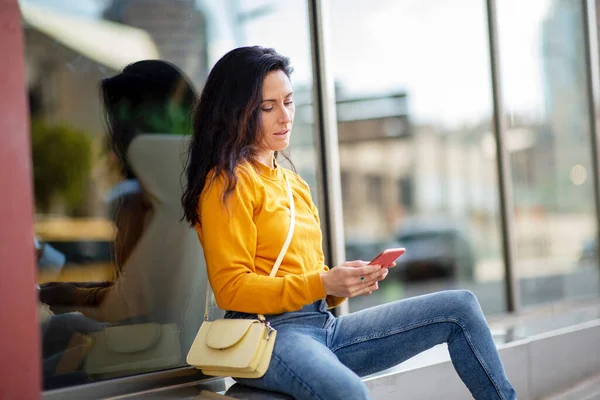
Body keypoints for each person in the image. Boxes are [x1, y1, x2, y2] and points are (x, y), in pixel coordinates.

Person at [181, 46, 517, 400]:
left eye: (289, 102)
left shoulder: (293, 183)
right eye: (268, 107)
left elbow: (308, 278)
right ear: (237, 113)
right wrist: (321, 282)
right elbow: (232, 288)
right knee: (347, 392)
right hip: (271, 334)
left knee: (459, 307)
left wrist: (341, 283)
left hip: (324, 326)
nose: (285, 116)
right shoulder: (228, 183)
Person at [40, 60, 196, 322]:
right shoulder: (198, 192)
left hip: (153, 350)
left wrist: (74, 295)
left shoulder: (148, 203)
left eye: (130, 120)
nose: (120, 136)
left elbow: (138, 300)